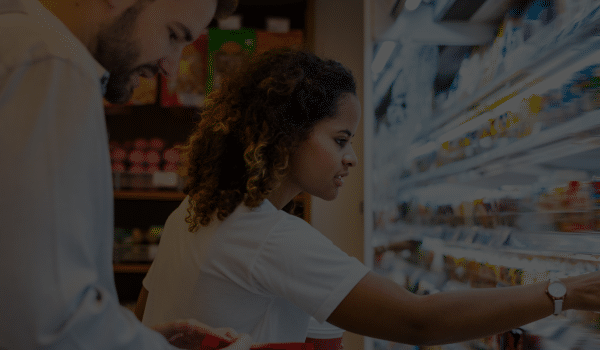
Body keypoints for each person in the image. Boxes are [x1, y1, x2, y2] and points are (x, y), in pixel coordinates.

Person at [136, 48, 600, 346]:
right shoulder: (268, 236)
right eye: (340, 140)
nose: (351, 158)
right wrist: (568, 292)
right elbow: (419, 322)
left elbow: (145, 311)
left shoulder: (194, 211)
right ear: (286, 135)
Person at [0, 0, 253, 348]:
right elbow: (51, 321)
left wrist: (132, 337)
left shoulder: (16, 38)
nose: (172, 68)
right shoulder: (54, 61)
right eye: (173, 35)